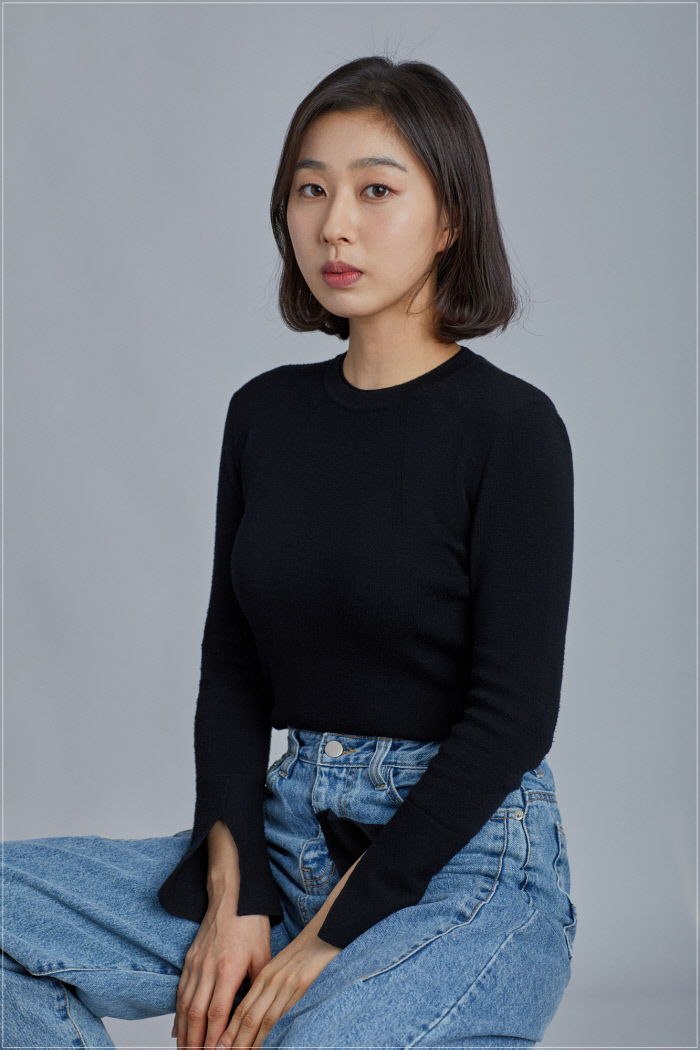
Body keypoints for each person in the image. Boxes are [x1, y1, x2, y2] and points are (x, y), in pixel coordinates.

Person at [2, 54, 577, 1049]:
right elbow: (233, 669)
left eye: (375, 191)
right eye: (311, 190)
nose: (334, 225)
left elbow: (512, 717)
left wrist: (329, 939)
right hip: (283, 835)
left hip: (467, 866)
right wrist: (238, 896)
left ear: (450, 218)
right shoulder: (263, 415)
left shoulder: (512, 430)